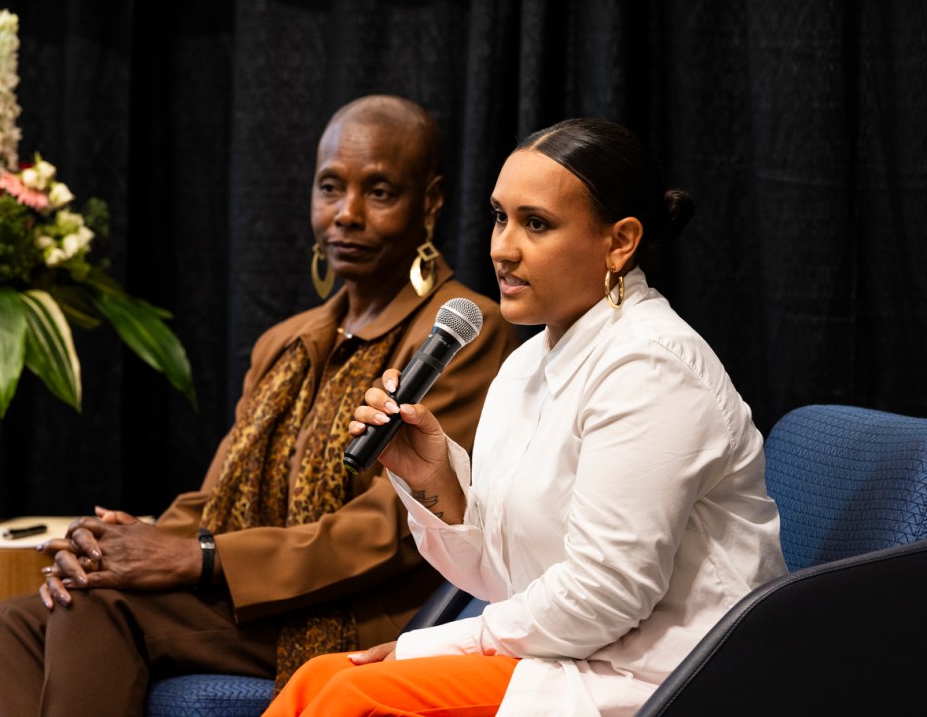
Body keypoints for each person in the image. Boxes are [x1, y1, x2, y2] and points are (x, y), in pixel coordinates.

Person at [0, 95, 517, 716]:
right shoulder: (287, 340)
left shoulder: (460, 336)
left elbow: (390, 531)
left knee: (97, 607)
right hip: (251, 596)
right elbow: (216, 495)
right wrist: (120, 545)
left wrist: (200, 558)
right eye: (330, 188)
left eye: (380, 192)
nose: (347, 214)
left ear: (431, 202)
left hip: (357, 612)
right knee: (15, 620)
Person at [265, 118, 788, 717]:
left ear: (620, 242)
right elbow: (501, 576)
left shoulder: (651, 367)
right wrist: (433, 481)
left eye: (535, 224)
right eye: (498, 217)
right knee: (316, 678)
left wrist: (436, 645)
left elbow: (605, 596)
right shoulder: (527, 363)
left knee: (353, 695)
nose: (501, 248)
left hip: (668, 679)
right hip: (573, 657)